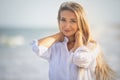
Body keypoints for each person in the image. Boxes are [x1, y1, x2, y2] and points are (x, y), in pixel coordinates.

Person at [32, 1, 115, 80]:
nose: (67, 26)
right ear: (59, 21)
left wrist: (79, 37)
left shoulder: (91, 46)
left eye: (73, 21)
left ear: (81, 23)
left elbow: (80, 59)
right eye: (63, 20)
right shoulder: (55, 46)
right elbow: (37, 47)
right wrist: (59, 35)